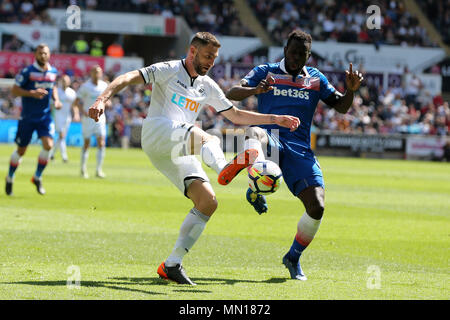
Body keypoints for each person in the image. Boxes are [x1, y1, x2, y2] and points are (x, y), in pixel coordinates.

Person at [88, 32, 300, 285]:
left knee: (208, 202)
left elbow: (235, 115)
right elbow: (127, 77)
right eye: (208, 56)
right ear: (192, 51)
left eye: (215, 57)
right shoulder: (168, 69)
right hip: (157, 132)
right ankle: (224, 168)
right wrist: (102, 99)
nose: (211, 62)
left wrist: (275, 120)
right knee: (209, 138)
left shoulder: (207, 85)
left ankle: (172, 264)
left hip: (178, 147)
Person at [225, 29, 364, 281]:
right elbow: (232, 92)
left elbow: (341, 106)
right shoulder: (265, 71)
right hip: (271, 140)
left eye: (302, 54)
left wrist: (351, 90)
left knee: (317, 206)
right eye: (293, 52)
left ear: (308, 55)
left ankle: (293, 256)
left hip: (299, 149)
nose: (296, 57)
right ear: (285, 50)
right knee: (254, 132)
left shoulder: (315, 79)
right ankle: (254, 176)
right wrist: (256, 90)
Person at [5, 43, 62, 196]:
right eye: (40, 53)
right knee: (21, 151)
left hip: (44, 117)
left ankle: (37, 177)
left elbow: (53, 86)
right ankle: (10, 177)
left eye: (45, 53)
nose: (42, 55)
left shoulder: (53, 71)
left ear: (49, 55)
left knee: (49, 145)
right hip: (27, 118)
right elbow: (15, 90)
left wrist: (56, 100)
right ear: (35, 55)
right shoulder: (27, 72)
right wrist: (32, 93)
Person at [73, 65, 109, 179]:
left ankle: (99, 170)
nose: (97, 74)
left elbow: (107, 100)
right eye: (95, 72)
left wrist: (107, 104)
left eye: (99, 72)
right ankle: (83, 169)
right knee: (87, 143)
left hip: (100, 117)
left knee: (101, 142)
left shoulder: (104, 85)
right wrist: (82, 111)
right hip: (88, 118)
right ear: (91, 73)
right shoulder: (85, 87)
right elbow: (77, 101)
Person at [50, 75, 77, 162]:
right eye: (63, 81)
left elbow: (74, 105)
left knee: (62, 137)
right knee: (61, 135)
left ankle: (52, 154)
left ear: (69, 82)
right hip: (58, 115)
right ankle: (64, 157)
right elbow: (51, 103)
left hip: (67, 116)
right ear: (61, 82)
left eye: (67, 81)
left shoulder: (72, 93)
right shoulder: (57, 91)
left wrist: (76, 114)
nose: (65, 82)